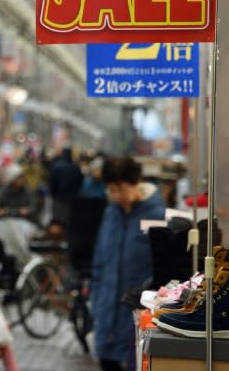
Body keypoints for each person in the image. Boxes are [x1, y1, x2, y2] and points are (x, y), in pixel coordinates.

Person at [91, 157, 165, 371]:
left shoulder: (157, 215)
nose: (116, 196)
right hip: (107, 310)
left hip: (135, 313)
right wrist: (95, 301)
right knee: (107, 361)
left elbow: (160, 269)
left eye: (120, 189)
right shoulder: (111, 213)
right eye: (111, 190)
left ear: (136, 182)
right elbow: (99, 259)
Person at [49, 146, 84, 229]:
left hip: (58, 197)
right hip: (71, 198)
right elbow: (80, 181)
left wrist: (53, 194)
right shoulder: (75, 167)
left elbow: (52, 182)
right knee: (68, 219)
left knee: (57, 219)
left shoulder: (56, 166)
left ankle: (57, 237)